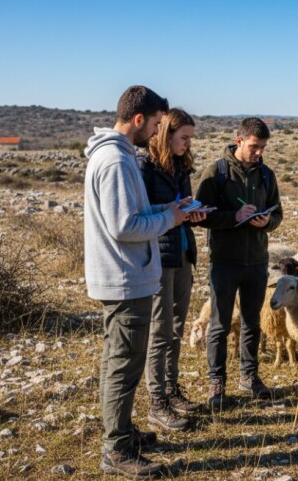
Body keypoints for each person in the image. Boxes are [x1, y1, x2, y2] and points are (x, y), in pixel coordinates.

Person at [84, 85, 190, 479]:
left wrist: (166, 208)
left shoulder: (119, 156)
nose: (158, 133)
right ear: (139, 119)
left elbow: (133, 211)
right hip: (125, 278)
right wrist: (171, 220)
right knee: (123, 365)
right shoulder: (115, 161)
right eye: (158, 124)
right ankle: (116, 450)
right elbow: (125, 225)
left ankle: (123, 432)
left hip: (127, 275)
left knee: (122, 360)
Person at [194, 117, 283, 409]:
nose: (259, 153)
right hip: (225, 261)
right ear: (239, 140)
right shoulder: (216, 172)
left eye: (263, 148)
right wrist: (233, 217)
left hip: (257, 261)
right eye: (255, 147)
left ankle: (249, 376)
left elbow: (278, 213)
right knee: (219, 324)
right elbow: (200, 214)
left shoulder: (267, 176)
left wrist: (267, 222)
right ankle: (216, 382)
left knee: (252, 322)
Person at [137, 108, 205, 431]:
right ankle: (156, 402)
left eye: (191, 137)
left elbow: (183, 204)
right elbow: (143, 213)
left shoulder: (182, 164)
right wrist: (172, 212)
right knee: (159, 329)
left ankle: (171, 388)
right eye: (184, 137)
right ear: (167, 133)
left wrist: (193, 213)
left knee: (177, 326)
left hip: (183, 252)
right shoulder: (145, 165)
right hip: (159, 257)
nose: (189, 143)